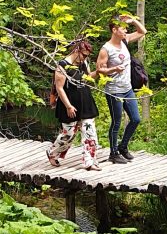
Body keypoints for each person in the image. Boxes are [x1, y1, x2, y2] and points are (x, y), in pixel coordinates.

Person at [96, 14, 146, 164]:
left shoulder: (125, 41)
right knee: (116, 122)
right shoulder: (106, 49)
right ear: (114, 30)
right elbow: (99, 70)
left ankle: (123, 146)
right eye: (122, 28)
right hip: (114, 90)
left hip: (127, 88)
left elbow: (142, 31)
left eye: (126, 28)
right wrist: (113, 70)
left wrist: (133, 20)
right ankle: (113, 153)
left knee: (136, 119)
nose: (125, 30)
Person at [46, 38, 102, 170]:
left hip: (85, 101)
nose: (85, 58)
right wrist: (68, 106)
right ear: (77, 50)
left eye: (87, 56)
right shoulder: (62, 65)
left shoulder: (84, 63)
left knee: (90, 131)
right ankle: (53, 153)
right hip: (69, 103)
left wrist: (98, 72)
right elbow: (59, 88)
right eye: (84, 55)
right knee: (69, 133)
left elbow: (88, 78)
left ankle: (90, 161)